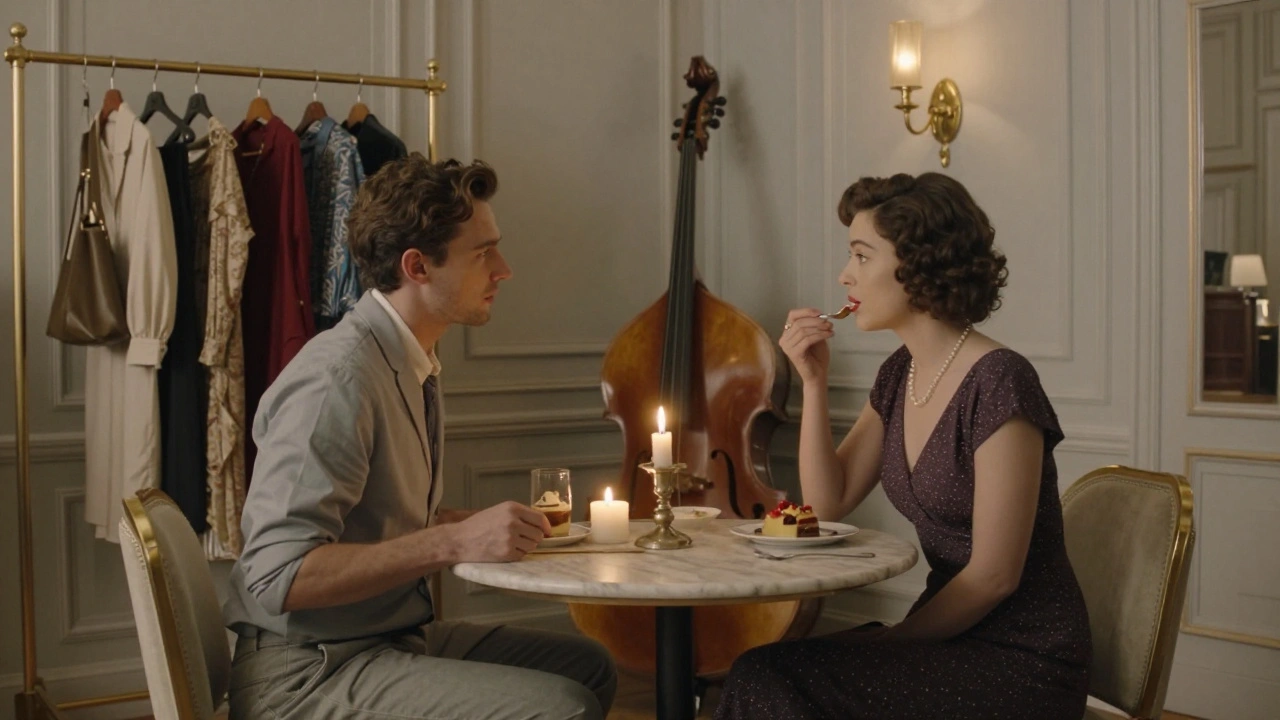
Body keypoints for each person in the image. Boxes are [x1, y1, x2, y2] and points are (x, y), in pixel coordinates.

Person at [223, 155, 617, 720]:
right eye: (482, 253)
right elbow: (276, 575)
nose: (503, 270)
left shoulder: (410, 358)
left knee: (589, 667)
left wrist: (468, 525)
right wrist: (452, 543)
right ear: (418, 266)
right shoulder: (338, 378)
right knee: (563, 707)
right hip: (305, 673)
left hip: (384, 639)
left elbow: (372, 523)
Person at [714, 173, 1091, 719]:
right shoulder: (902, 373)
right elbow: (828, 502)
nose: (845, 274)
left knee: (770, 676)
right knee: (763, 669)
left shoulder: (1001, 381)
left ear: (919, 265)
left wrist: (895, 640)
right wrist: (814, 383)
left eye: (862, 257)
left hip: (1022, 657)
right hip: (944, 636)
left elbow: (994, 576)